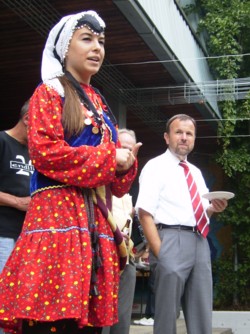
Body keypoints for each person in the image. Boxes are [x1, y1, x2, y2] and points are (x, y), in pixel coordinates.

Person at [0, 11, 141, 334]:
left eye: (101, 42)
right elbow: (46, 154)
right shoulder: (48, 92)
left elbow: (117, 187)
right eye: (87, 39)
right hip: (57, 224)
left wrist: (127, 164)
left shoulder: (101, 103)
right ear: (64, 48)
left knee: (87, 326)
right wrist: (109, 157)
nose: (97, 48)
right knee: (52, 321)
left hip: (94, 226)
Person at [136, 114, 228, 334]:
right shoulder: (155, 166)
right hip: (169, 239)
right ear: (167, 137)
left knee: (201, 312)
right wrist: (161, 252)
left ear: (194, 139)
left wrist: (213, 208)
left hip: (199, 241)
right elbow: (144, 212)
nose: (184, 138)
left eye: (189, 134)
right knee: (167, 315)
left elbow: (198, 211)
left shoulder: (195, 172)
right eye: (179, 132)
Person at [102, 129, 141, 334]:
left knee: (122, 317)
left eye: (129, 149)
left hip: (127, 256)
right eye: (121, 147)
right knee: (103, 315)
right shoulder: (100, 177)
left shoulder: (130, 183)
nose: (125, 153)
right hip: (104, 252)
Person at [0, 99, 33, 334]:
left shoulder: (36, 152)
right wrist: (17, 201)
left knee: (19, 303)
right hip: (2, 234)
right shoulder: (1, 141)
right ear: (28, 118)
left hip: (28, 239)